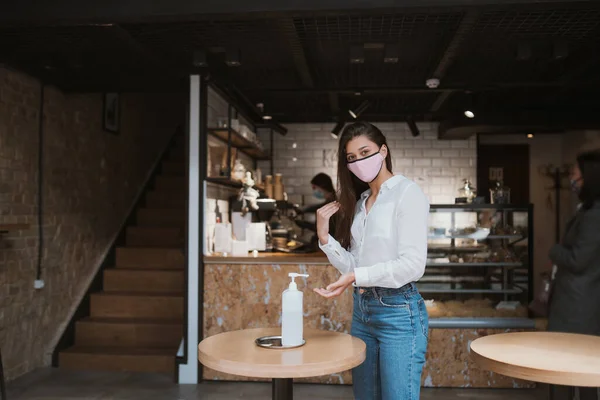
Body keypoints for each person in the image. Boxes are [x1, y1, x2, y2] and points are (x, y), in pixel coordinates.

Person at [313, 121, 430, 400]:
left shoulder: (407, 194)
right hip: (363, 312)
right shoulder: (362, 200)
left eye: (365, 152)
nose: (358, 162)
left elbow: (413, 265)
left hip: (398, 313)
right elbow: (356, 266)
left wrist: (356, 277)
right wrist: (324, 236)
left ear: (384, 150)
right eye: (351, 158)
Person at [548, 149, 600, 400]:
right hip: (576, 304)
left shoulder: (594, 215)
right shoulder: (587, 210)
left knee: (571, 371)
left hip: (579, 308)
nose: (572, 179)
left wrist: (554, 250)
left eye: (575, 174)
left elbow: (578, 260)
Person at [294, 173, 337, 238]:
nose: (313, 191)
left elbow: (328, 229)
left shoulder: (333, 203)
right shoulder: (331, 199)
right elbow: (320, 207)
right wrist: (304, 210)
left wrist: (306, 225)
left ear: (322, 186)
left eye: (314, 187)